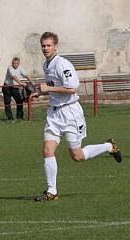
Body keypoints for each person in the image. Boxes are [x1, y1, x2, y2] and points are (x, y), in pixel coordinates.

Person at [31, 32, 122, 202]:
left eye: (49, 45)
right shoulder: (46, 65)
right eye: (43, 45)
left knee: (77, 156)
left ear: (55, 46)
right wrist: (40, 92)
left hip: (70, 113)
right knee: (47, 150)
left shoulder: (62, 64)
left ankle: (108, 146)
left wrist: (47, 89)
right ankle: (52, 191)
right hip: (54, 113)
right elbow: (53, 86)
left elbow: (72, 88)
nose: (45, 48)